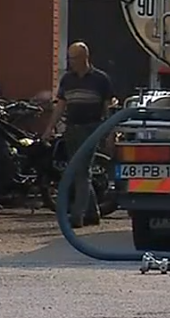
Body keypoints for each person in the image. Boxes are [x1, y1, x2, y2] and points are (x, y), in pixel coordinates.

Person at [42, 42, 114, 228]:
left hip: (91, 129)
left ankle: (77, 215)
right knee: (77, 170)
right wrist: (50, 128)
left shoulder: (100, 79)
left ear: (84, 58)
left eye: (73, 58)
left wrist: (109, 133)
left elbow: (107, 108)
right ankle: (93, 213)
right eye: (69, 58)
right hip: (72, 129)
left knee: (81, 171)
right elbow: (61, 105)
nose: (70, 62)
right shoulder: (67, 79)